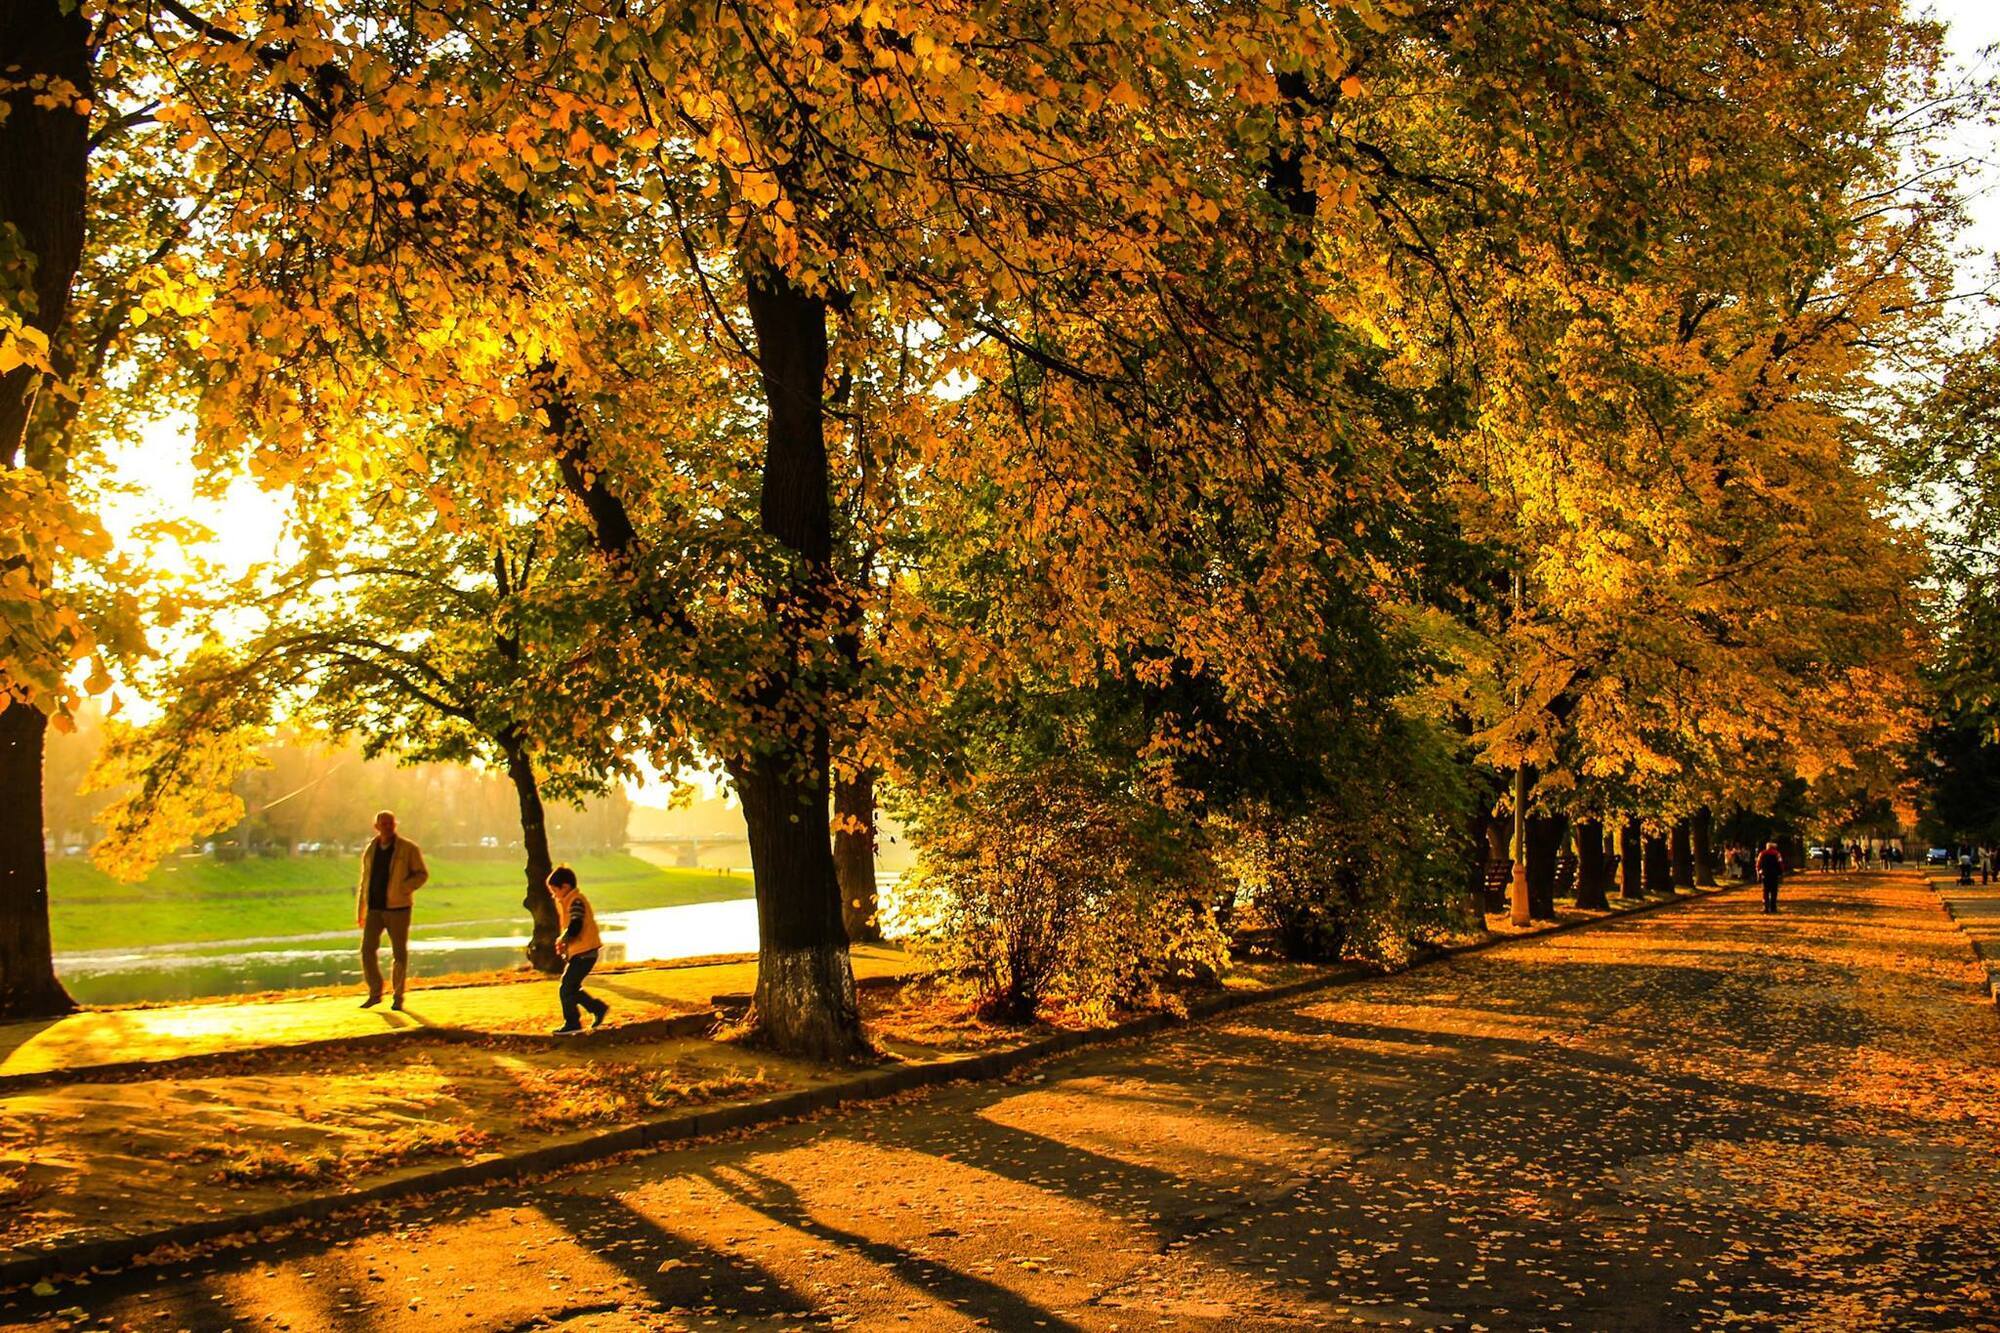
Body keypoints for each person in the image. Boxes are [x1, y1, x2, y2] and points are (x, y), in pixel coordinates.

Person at [357, 810, 428, 1009]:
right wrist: (361, 910)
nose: (388, 827)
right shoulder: (371, 848)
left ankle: (398, 996)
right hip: (374, 909)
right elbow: (365, 880)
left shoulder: (408, 849)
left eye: (391, 823)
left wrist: (404, 888)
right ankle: (375, 992)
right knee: (367, 950)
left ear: (395, 825)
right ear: (377, 826)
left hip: (399, 909)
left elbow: (422, 874)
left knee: (399, 953)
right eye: (384, 824)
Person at [546, 865, 610, 1034]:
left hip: (585, 953)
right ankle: (597, 1009)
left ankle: (573, 1022)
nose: (553, 894)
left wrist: (563, 939)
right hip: (581, 953)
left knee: (566, 987)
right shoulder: (568, 901)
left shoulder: (576, 901)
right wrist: (565, 945)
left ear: (565, 887)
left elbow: (576, 925)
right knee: (570, 987)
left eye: (554, 890)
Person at [1757, 841, 1785, 914]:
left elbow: (1758, 864)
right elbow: (1780, 863)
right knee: (1774, 891)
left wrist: (1759, 872)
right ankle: (1773, 908)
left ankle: (1766, 907)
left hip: (1765, 874)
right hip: (1774, 874)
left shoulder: (1762, 853)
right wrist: (1781, 872)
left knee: (1765, 891)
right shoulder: (1777, 854)